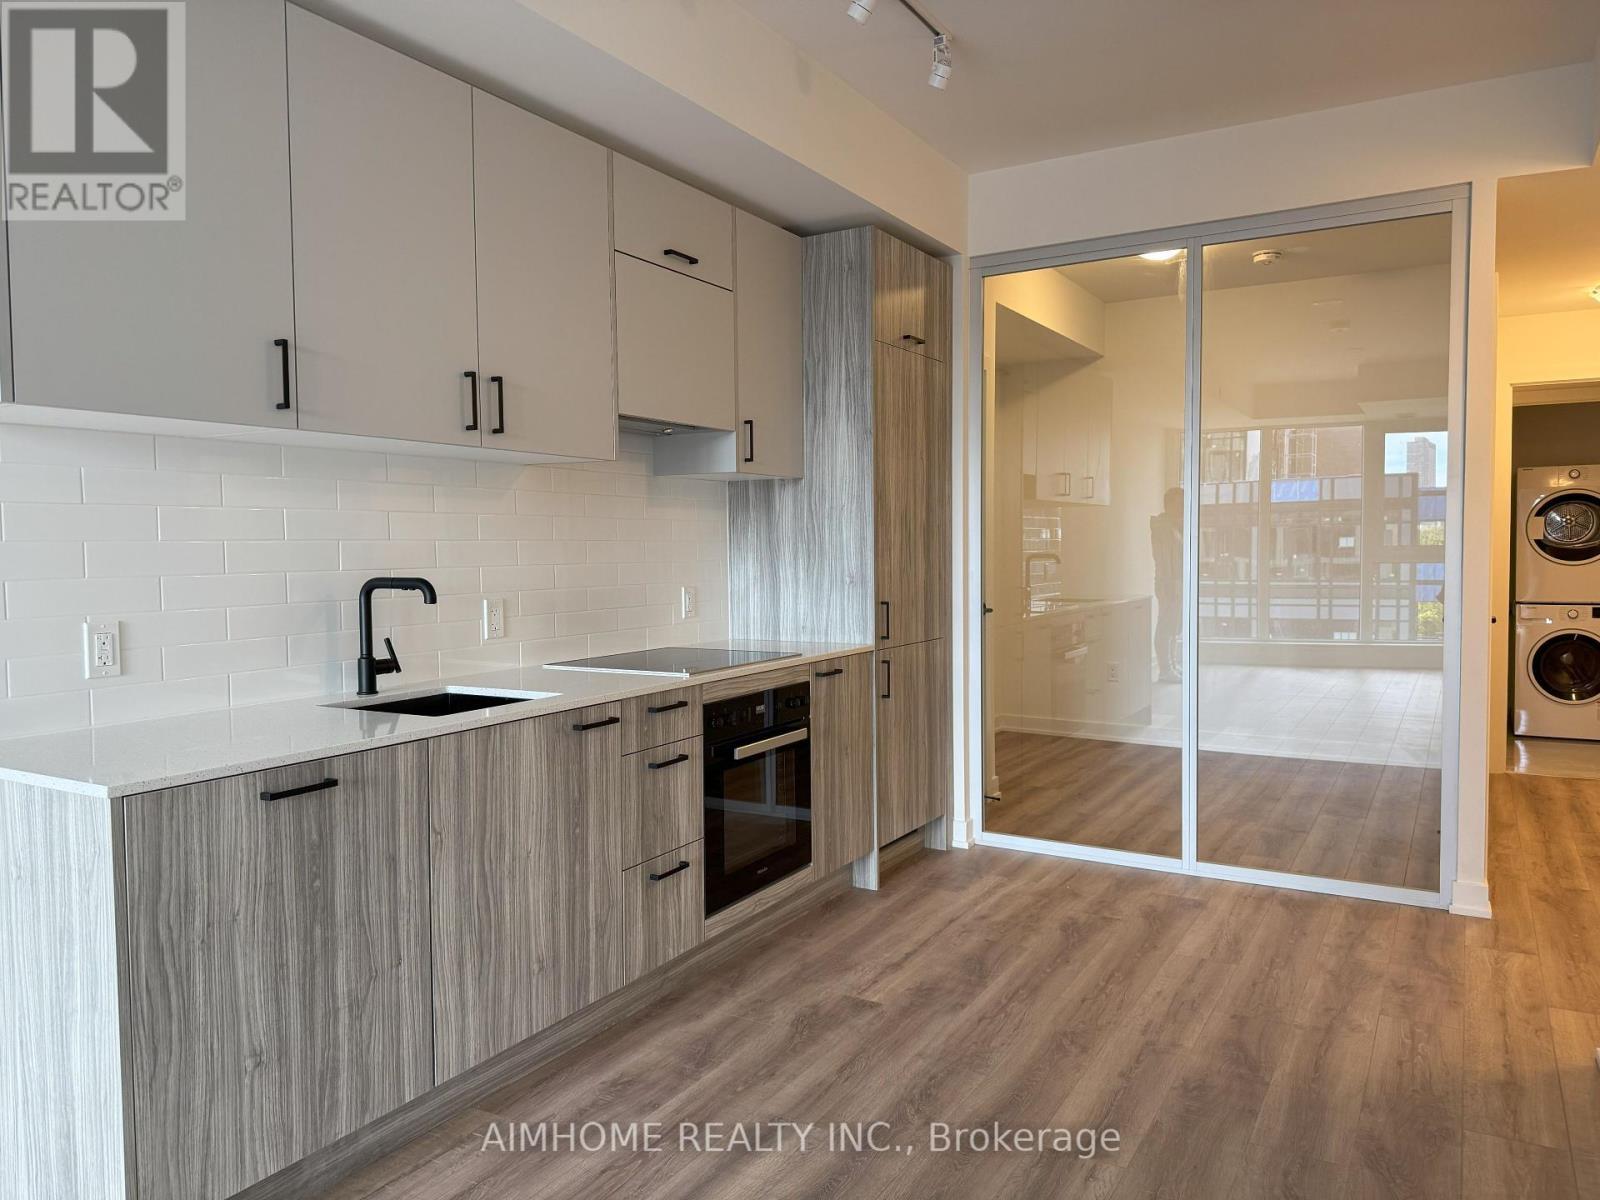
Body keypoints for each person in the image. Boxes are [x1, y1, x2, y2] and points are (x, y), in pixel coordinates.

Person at [1150, 487, 1183, 684]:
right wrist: (1169, 584)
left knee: (1174, 625)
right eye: (1179, 504)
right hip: (1167, 583)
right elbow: (1163, 559)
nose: (1182, 508)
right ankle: (1165, 670)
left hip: (1175, 582)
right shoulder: (1162, 526)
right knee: (1166, 625)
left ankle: (1172, 664)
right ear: (1169, 504)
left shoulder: (1173, 526)